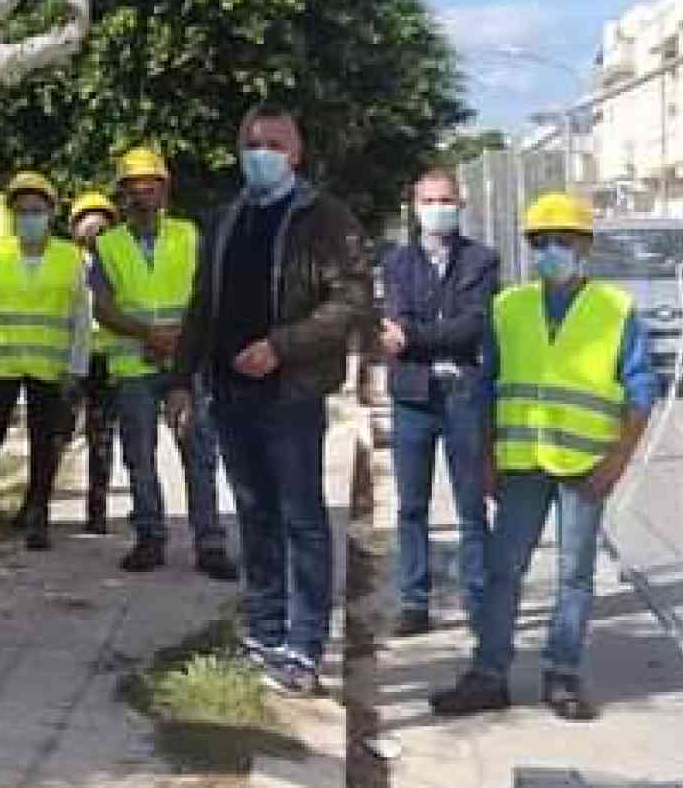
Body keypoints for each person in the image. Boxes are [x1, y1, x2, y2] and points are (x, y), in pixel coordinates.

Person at [168, 104, 371, 696]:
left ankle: (304, 646)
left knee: (302, 518)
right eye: (253, 142)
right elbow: (202, 305)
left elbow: (350, 300)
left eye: (275, 145)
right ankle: (263, 630)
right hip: (230, 394)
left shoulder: (325, 218)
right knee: (253, 513)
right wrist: (182, 378)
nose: (262, 154)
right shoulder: (227, 218)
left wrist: (283, 346)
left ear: (297, 153)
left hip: (291, 393)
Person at [431, 192, 657, 722]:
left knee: (574, 575)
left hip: (585, 464)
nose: (552, 250)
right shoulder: (509, 307)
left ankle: (562, 676)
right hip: (522, 461)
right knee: (503, 570)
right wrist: (486, 456)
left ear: (586, 247)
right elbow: (487, 387)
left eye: (564, 240)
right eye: (542, 241)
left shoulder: (614, 310)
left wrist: (618, 461)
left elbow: (642, 388)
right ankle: (488, 675)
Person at [92, 147, 235, 577]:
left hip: (185, 365)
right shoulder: (107, 244)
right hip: (133, 366)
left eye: (150, 187)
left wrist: (178, 341)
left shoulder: (189, 235)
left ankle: (210, 544)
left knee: (200, 453)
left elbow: (206, 295)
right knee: (139, 457)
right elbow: (102, 305)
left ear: (165, 190)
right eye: (133, 189)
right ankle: (150, 538)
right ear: (121, 195)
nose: (143, 196)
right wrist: (146, 334)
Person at [381, 168, 499, 636]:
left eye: (445, 199)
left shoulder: (481, 261)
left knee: (471, 505)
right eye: (428, 200)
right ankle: (414, 602)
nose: (437, 208)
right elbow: (395, 324)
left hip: (463, 396)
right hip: (412, 397)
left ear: (460, 204)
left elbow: (473, 325)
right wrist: (421, 337)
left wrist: (414, 337)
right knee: (412, 506)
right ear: (414, 206)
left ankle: (477, 598)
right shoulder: (397, 264)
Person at [0, 172, 89, 550]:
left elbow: (81, 316)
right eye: (21, 211)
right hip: (0, 364)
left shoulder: (70, 258)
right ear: (12, 215)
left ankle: (37, 513)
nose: (29, 218)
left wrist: (76, 366)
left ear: (51, 213)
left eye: (36, 210)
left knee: (43, 442)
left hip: (49, 368)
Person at [67, 191, 120, 534]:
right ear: (74, 226)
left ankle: (97, 509)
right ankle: (35, 505)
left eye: (102, 219)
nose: (95, 225)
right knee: (57, 432)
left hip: (107, 360)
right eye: (87, 218)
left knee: (101, 436)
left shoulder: (119, 262)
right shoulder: (64, 262)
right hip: (72, 358)